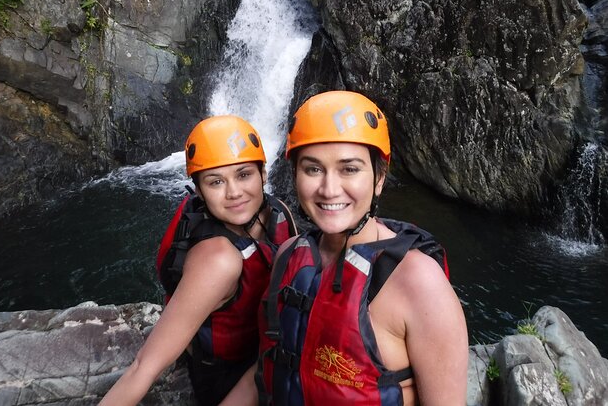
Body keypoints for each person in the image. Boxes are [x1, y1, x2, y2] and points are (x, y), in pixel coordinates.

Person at [224, 90, 468, 405]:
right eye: (313, 169)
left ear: (379, 177)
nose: (328, 189)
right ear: (295, 175)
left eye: (349, 169)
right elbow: (268, 367)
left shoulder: (420, 283)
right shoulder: (288, 256)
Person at [99, 115, 297, 406]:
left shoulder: (279, 212)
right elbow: (144, 367)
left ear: (264, 174)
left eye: (244, 175)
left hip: (264, 348)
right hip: (227, 373)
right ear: (200, 191)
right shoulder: (219, 261)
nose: (234, 192)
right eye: (216, 181)